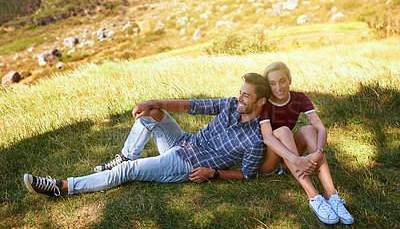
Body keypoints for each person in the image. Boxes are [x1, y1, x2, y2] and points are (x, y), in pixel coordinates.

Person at [24, 73, 270, 197]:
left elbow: (247, 174)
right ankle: (126, 155)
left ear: (260, 101)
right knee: (150, 113)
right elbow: (191, 106)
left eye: (245, 96)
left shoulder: (257, 139)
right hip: (186, 142)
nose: (239, 99)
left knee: (127, 173)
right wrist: (155, 102)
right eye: (240, 93)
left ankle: (61, 187)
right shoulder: (230, 105)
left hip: (188, 164)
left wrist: (213, 173)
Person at [258, 61, 354, 225]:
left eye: (282, 81)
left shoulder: (299, 98)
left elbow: (321, 129)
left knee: (309, 129)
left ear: (290, 80)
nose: (278, 87)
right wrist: (298, 160)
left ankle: (331, 194)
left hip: (289, 160)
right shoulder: (265, 103)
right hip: (268, 161)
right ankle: (313, 196)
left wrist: (318, 152)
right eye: (272, 83)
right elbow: (267, 137)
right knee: (282, 131)